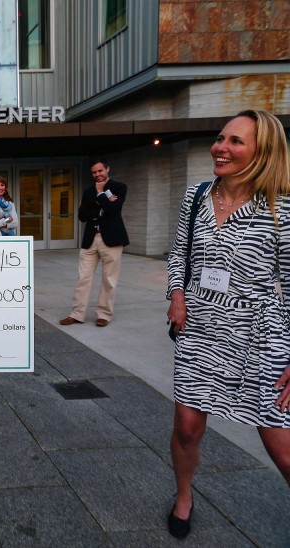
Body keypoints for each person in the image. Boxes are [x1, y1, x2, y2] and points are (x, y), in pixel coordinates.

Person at [165, 110, 290, 539]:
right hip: (199, 329)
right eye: (221, 138)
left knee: (282, 447)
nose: (221, 147)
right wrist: (177, 297)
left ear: (263, 150)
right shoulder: (197, 196)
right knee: (186, 428)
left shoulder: (283, 203)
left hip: (260, 334)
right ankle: (184, 496)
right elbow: (178, 254)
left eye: (236, 141)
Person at [59, 158, 129, 327]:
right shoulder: (88, 191)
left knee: (109, 279)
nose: (97, 174)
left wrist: (100, 194)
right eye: (94, 172)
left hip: (111, 240)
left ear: (107, 169)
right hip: (91, 239)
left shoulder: (119, 187)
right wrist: (100, 208)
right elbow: (82, 215)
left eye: (100, 171)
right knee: (83, 278)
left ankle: (103, 314)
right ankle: (76, 314)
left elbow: (113, 210)